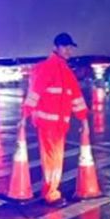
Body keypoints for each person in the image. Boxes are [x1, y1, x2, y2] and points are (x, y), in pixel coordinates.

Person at [21, 32, 90, 206]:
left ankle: (52, 190)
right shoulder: (47, 68)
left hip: (60, 125)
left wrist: (84, 120)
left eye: (70, 48)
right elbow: (34, 94)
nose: (68, 51)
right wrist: (24, 116)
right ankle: (51, 194)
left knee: (55, 161)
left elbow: (76, 97)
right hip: (47, 124)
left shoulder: (66, 71)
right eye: (65, 47)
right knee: (52, 161)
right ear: (56, 48)